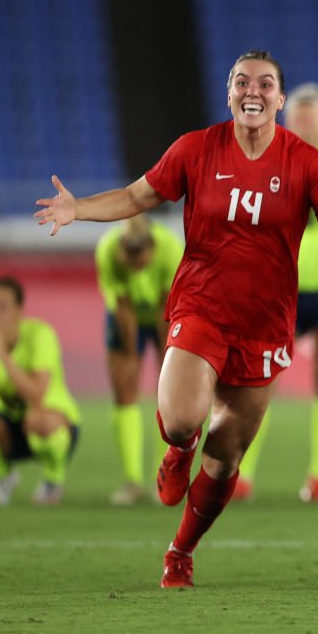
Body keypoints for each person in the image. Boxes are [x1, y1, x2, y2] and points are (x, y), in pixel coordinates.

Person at [33, 50, 318, 588]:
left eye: (265, 84)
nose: (252, 91)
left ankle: (180, 551)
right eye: (242, 82)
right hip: (201, 308)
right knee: (182, 419)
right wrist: (80, 209)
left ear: (280, 100)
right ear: (228, 94)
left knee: (225, 458)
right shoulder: (195, 149)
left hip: (265, 325)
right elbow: (137, 195)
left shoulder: (307, 163)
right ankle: (178, 449)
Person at [234, 82, 318, 502]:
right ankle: (241, 472)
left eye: (311, 118)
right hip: (279, 284)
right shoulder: (270, 153)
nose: (303, 125)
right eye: (297, 119)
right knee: (260, 379)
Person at [0, 277, 81, 506]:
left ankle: (53, 478)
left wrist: (3, 356)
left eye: (2, 307)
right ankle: (4, 476)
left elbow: (36, 396)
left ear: (19, 310)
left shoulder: (40, 335)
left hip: (51, 424)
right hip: (10, 424)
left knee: (38, 420)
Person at [96, 215, 183, 505]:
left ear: (151, 247)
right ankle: (132, 481)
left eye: (139, 256)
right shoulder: (108, 250)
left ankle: (163, 478)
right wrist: (132, 353)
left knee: (169, 394)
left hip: (168, 313)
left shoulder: (170, 248)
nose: (134, 263)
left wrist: (166, 358)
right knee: (125, 388)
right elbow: (121, 306)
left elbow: (166, 306)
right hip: (128, 314)